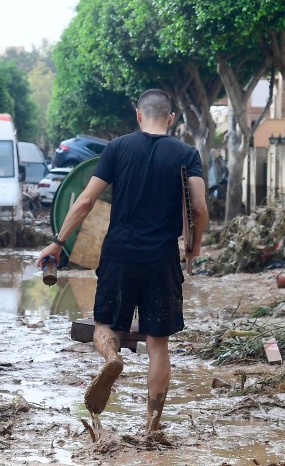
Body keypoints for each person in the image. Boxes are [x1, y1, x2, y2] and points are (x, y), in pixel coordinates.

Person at [36, 89, 208, 435]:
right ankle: (152, 424)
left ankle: (112, 357)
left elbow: (85, 200)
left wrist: (57, 243)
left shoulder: (117, 148)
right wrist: (194, 246)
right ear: (171, 118)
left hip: (119, 255)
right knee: (157, 342)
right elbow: (200, 209)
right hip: (161, 258)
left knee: (104, 326)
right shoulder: (186, 154)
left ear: (139, 115)